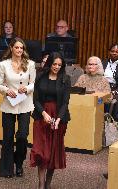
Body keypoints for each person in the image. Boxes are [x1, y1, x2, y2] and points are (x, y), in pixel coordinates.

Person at [0, 37, 36, 178]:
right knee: (7, 137)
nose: (19, 50)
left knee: (22, 137)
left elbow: (33, 84)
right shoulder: (3, 65)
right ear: (11, 48)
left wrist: (27, 88)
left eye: (21, 48)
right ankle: (7, 169)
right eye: (17, 47)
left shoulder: (30, 64)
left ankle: (19, 163)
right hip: (9, 104)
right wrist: (7, 90)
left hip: (25, 104)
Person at [30, 52, 71, 189]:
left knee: (53, 153)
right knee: (42, 152)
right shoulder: (40, 76)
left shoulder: (66, 79)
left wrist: (58, 119)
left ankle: (48, 185)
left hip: (59, 118)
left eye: (60, 65)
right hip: (41, 116)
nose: (57, 67)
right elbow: (35, 99)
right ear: (50, 63)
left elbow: (65, 102)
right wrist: (43, 113)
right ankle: (41, 185)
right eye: (55, 64)